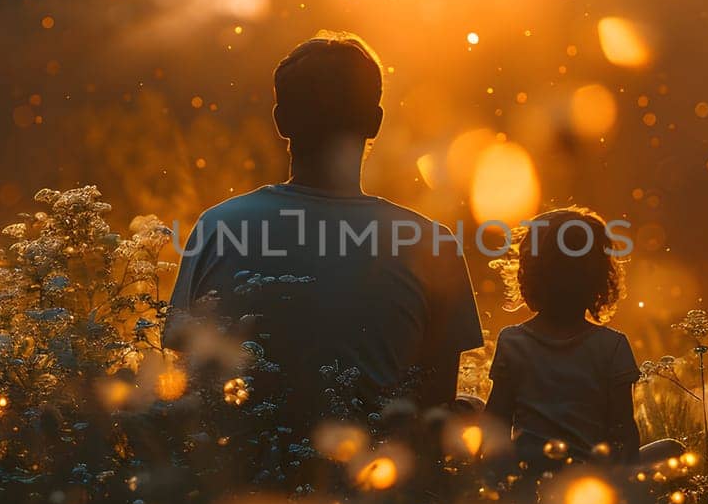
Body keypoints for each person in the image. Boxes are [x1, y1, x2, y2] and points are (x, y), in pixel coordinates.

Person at [165, 31, 482, 418]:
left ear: (280, 121)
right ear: (375, 122)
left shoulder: (218, 227)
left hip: (231, 471)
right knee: (471, 410)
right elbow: (433, 408)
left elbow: (185, 384)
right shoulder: (432, 245)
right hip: (376, 472)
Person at [486, 207, 641, 464]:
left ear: (530, 276)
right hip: (590, 486)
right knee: (671, 449)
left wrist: (497, 484)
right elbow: (624, 433)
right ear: (599, 280)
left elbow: (496, 424)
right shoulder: (613, 347)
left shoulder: (513, 342)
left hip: (529, 476)